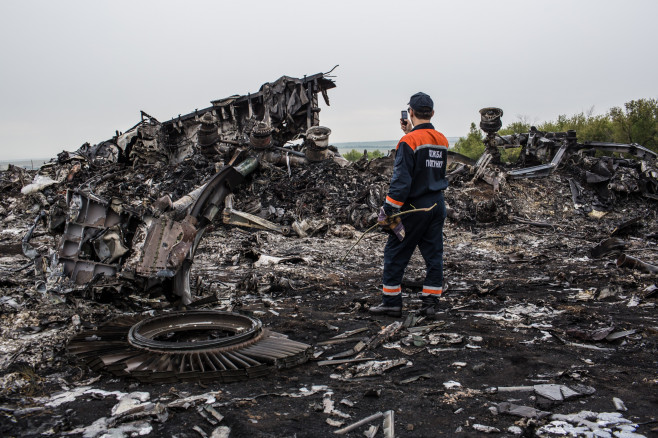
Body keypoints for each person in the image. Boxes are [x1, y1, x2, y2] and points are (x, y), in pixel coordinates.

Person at [369, 92, 449, 318]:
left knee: (395, 253)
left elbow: (402, 180)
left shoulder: (408, 142)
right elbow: (428, 163)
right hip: (437, 205)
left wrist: (389, 209)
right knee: (434, 256)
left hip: (414, 208)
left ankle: (391, 302)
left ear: (410, 113)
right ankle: (430, 305)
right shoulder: (442, 140)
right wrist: (409, 131)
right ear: (432, 113)